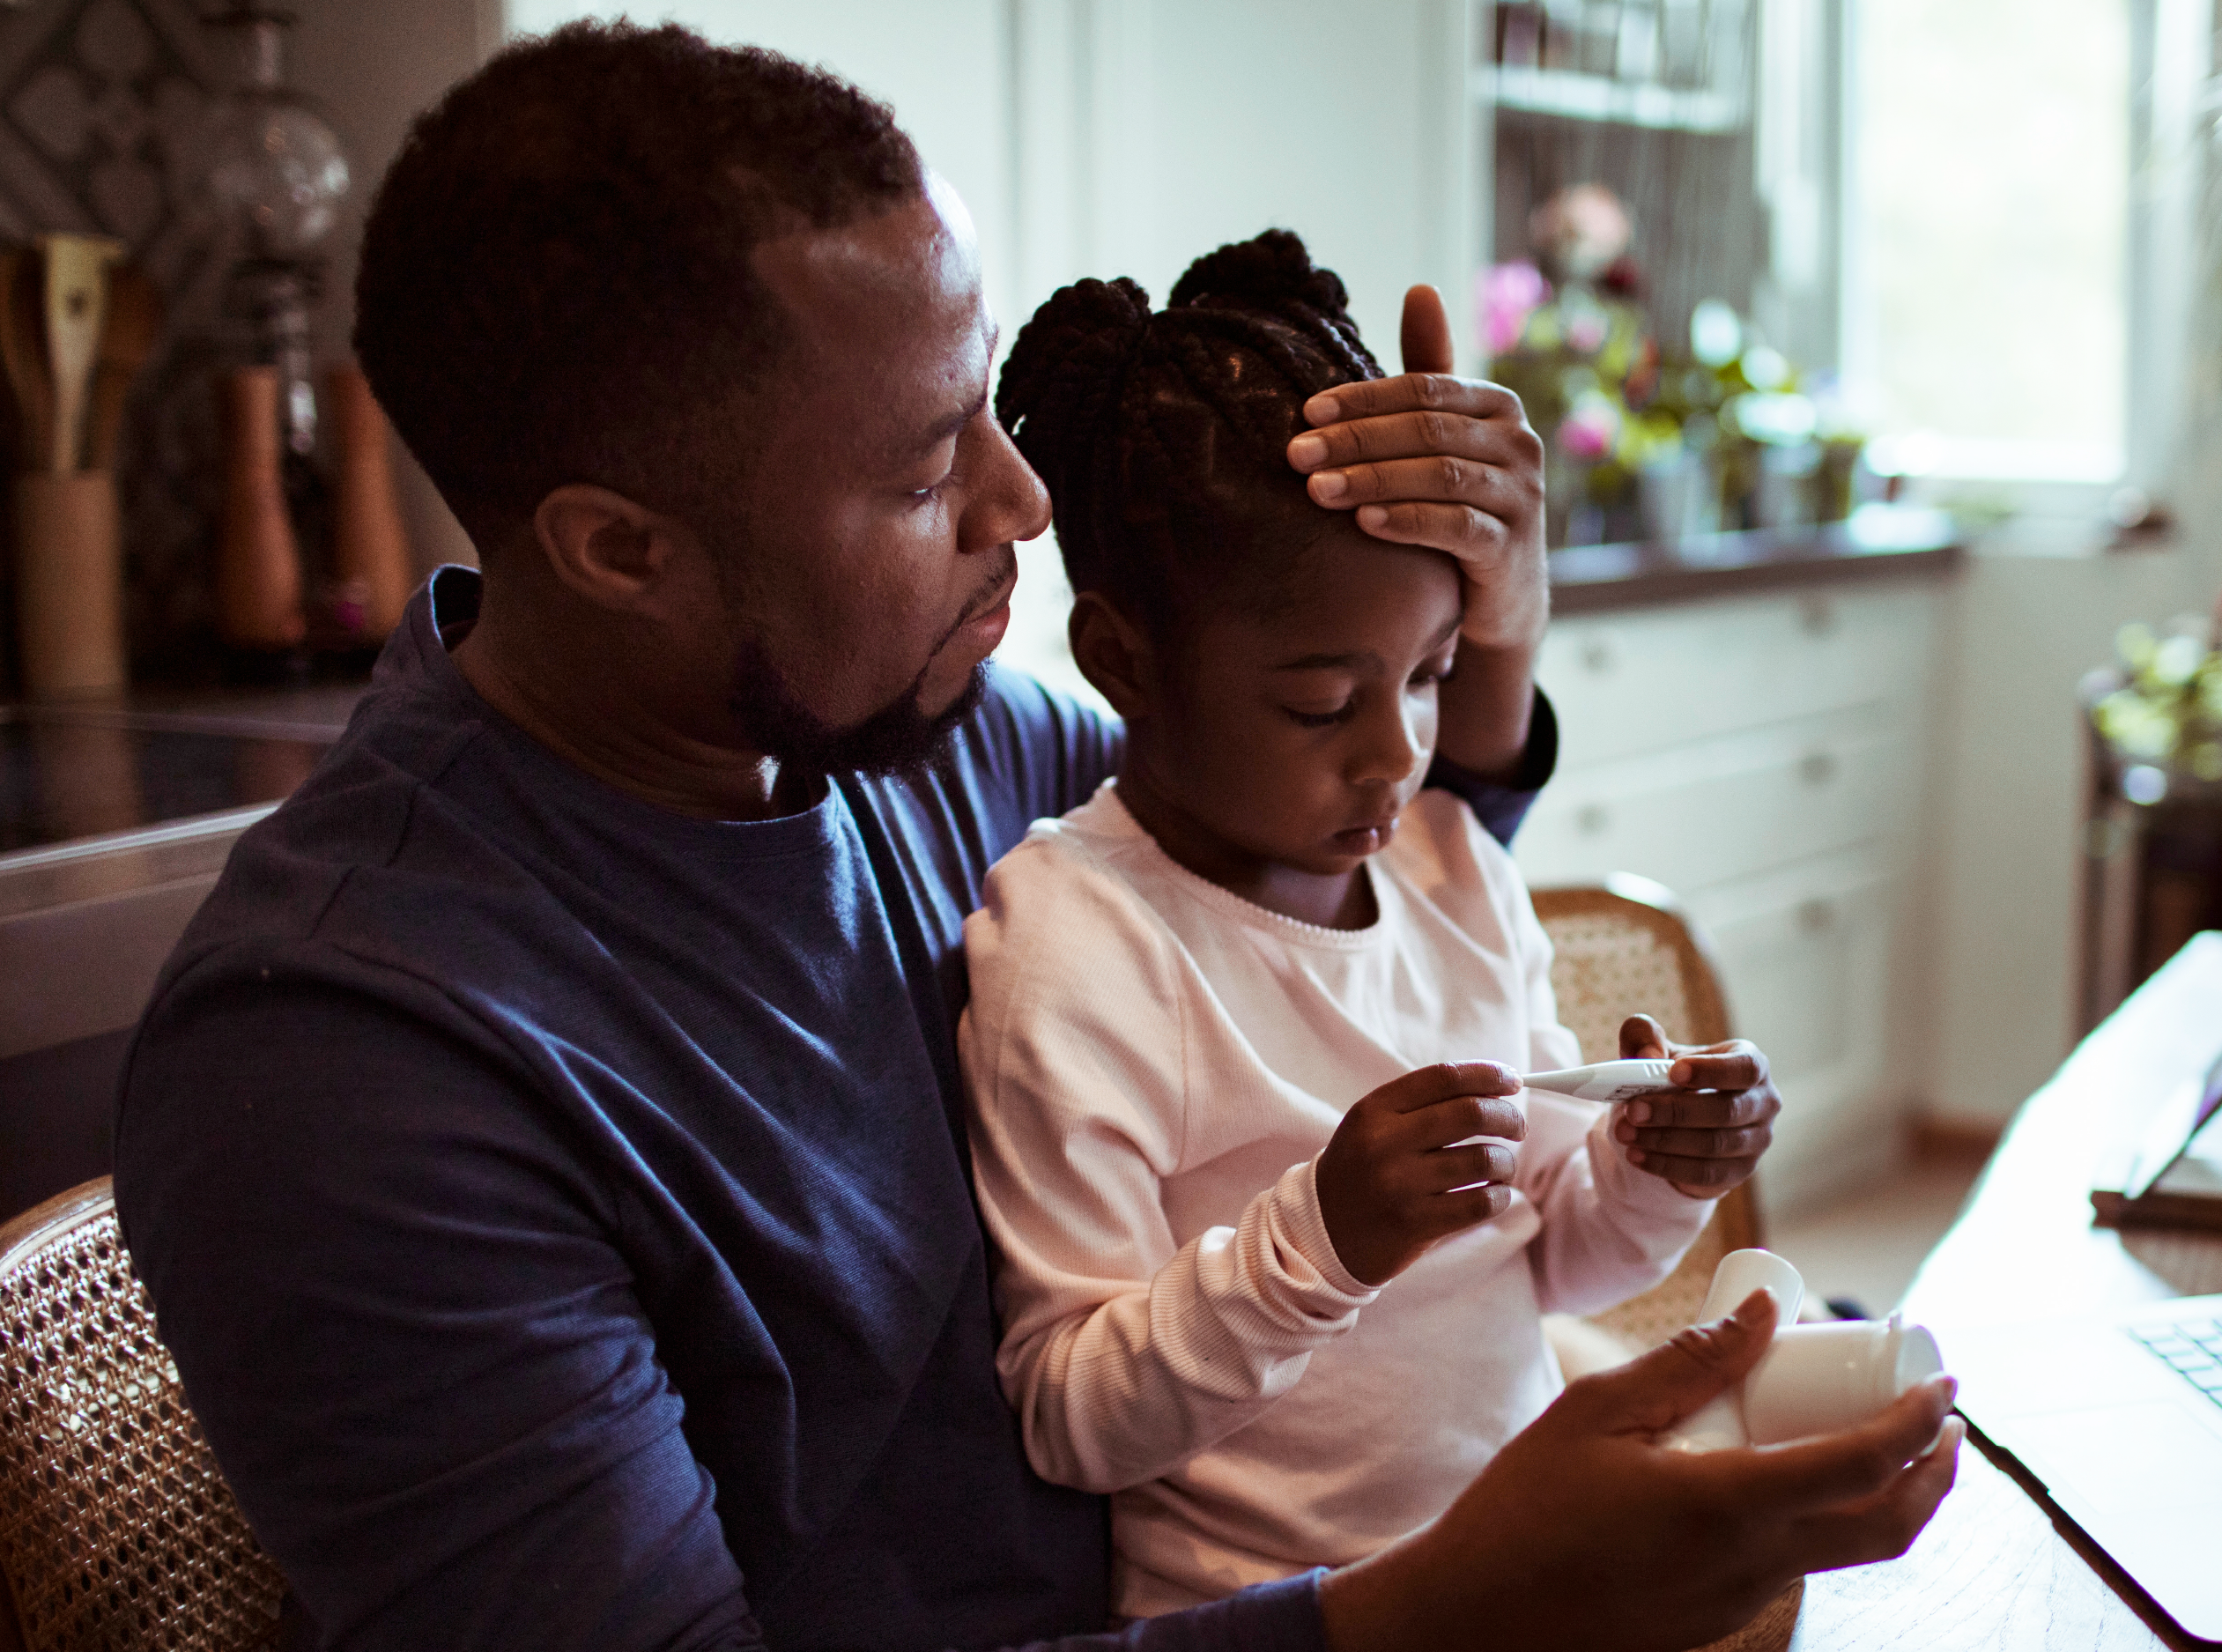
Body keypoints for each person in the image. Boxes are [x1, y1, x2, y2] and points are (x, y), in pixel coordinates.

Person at [108, 23, 1956, 1652]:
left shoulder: (928, 735)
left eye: (987, 408)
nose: (1021, 500)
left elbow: (1321, 858)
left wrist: (1490, 625)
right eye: (924, 473)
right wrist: (1435, 1608)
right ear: (619, 548)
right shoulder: (354, 1067)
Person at [966, 235, 1738, 1618]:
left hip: (1532, 1583)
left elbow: (1556, 1257)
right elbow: (1070, 1417)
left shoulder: (1453, 870)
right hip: (1290, 1623)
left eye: (1433, 675)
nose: (1398, 755)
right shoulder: (1077, 944)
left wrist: (1650, 1170)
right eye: (1324, 703)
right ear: (1122, 659)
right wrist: (1321, 1238)